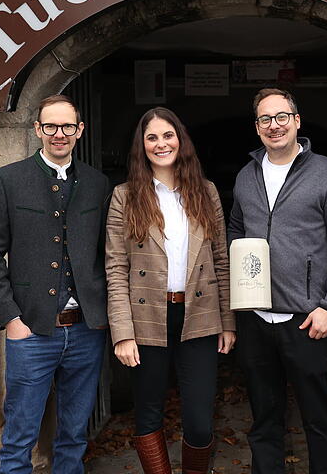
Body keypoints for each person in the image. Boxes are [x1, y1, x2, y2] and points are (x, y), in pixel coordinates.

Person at [0, 94, 111, 473]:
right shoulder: (8, 179)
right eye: (50, 126)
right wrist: (11, 320)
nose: (59, 134)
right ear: (38, 129)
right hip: (31, 330)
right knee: (19, 436)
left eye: (67, 126)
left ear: (79, 130)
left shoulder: (97, 183)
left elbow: (107, 253)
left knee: (74, 435)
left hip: (86, 330)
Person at [228, 88, 327, 474]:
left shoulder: (326, 172)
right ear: (257, 127)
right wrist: (242, 275)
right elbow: (236, 227)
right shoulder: (246, 175)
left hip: (308, 319)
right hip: (255, 318)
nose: (275, 125)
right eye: (265, 119)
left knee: (318, 418)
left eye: (282, 116)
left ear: (297, 121)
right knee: (264, 420)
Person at [105, 107, 235, 474]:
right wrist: (122, 333)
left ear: (181, 140)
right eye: (152, 137)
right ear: (141, 146)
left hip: (200, 315)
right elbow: (115, 268)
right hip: (146, 318)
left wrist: (228, 322)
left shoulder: (205, 192)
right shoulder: (125, 196)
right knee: (148, 413)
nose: (161, 144)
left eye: (168, 135)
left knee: (198, 418)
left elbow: (221, 260)